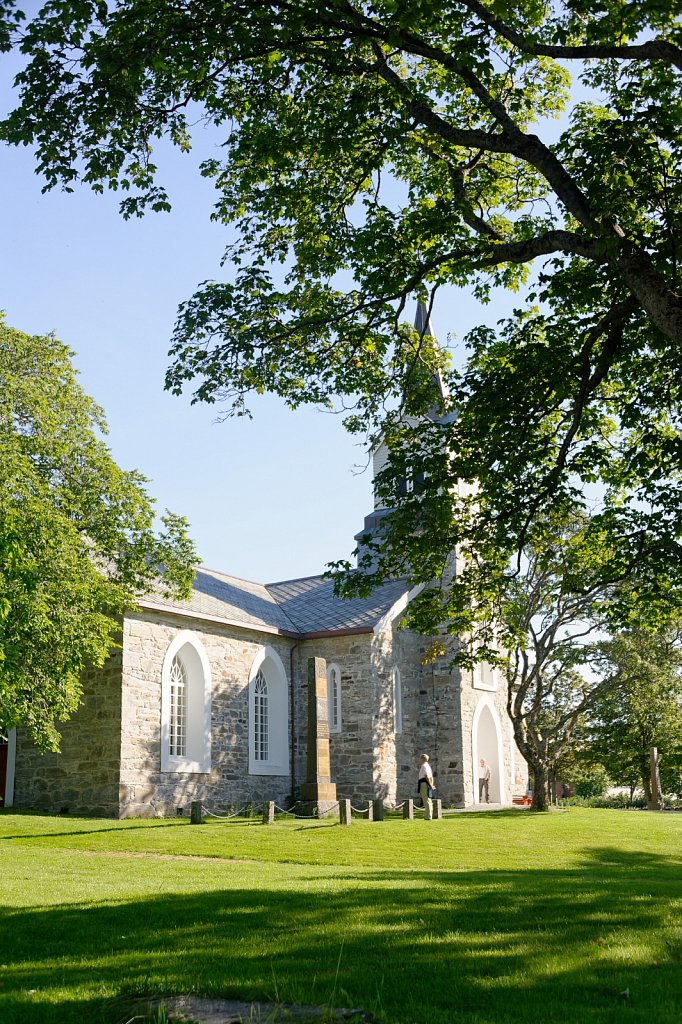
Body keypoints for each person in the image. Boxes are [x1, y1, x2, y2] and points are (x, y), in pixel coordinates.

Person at [417, 753, 435, 820]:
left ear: (422, 759)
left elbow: (426, 776)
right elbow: (431, 777)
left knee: (426, 800)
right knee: (428, 800)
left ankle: (428, 817)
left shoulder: (424, 766)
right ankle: (429, 815)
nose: (419, 760)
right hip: (427, 783)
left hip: (424, 783)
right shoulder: (428, 766)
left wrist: (430, 785)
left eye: (420, 758)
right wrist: (431, 784)